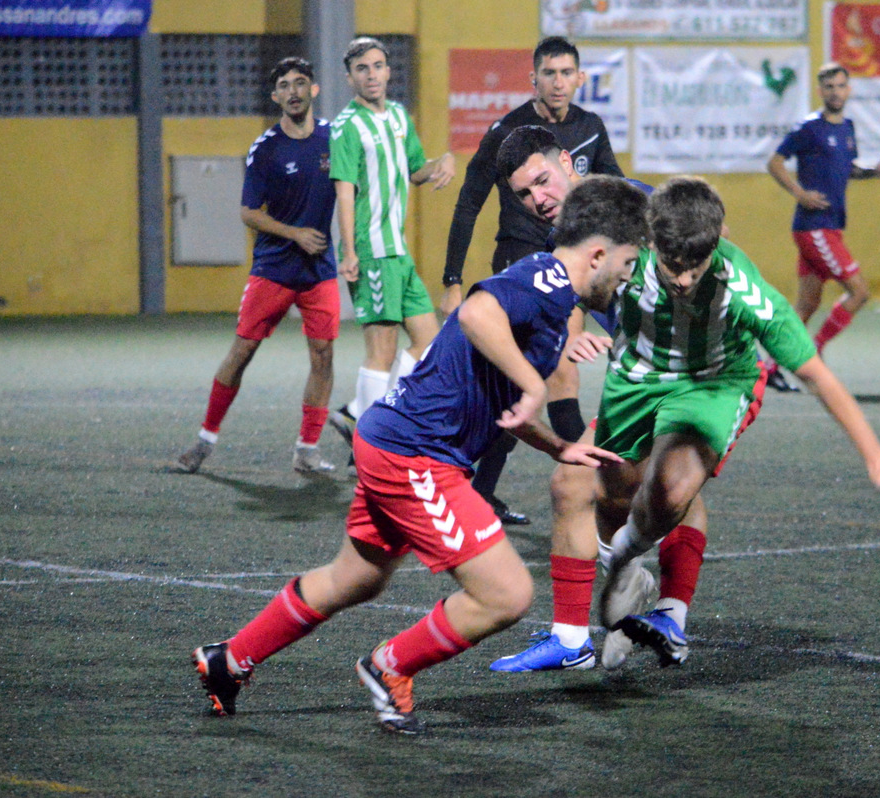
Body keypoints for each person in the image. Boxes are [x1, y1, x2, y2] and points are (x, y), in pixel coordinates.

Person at [190, 175, 650, 735]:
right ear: (599, 252)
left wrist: (557, 444)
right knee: (507, 592)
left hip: (396, 439)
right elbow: (479, 315)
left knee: (355, 579)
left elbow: (496, 395)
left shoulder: (552, 298)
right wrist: (533, 381)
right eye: (627, 261)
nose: (628, 275)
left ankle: (228, 659)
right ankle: (389, 667)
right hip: (415, 453)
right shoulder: (547, 280)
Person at [596, 176, 880, 668]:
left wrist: (876, 458)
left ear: (719, 239)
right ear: (651, 241)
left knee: (670, 489)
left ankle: (628, 565)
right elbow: (570, 281)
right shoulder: (624, 253)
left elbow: (816, 375)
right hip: (636, 377)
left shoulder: (745, 292)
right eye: (673, 267)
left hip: (713, 383)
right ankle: (630, 572)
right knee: (615, 491)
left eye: (696, 267)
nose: (684, 280)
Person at [485, 126, 702, 674]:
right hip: (643, 378)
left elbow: (706, 262)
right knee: (588, 485)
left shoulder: (639, 205)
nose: (537, 198)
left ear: (567, 162)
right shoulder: (561, 234)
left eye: (542, 179)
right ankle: (588, 629)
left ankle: (643, 610)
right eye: (524, 194)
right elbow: (571, 295)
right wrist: (572, 330)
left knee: (653, 489)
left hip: (701, 373)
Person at [440, 36, 623, 525]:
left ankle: (478, 489)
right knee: (556, 371)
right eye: (549, 73)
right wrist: (452, 278)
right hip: (522, 258)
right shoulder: (508, 131)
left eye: (567, 73)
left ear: (580, 78)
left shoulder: (590, 126)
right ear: (534, 79)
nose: (558, 82)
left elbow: (615, 189)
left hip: (571, 258)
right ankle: (590, 484)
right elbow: (469, 201)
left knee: (535, 375)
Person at [175, 56, 340, 475]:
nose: (293, 91)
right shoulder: (265, 149)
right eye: (283, 85)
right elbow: (249, 212)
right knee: (243, 350)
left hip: (319, 269)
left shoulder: (334, 139)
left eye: (300, 83)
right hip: (274, 267)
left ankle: (307, 449)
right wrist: (295, 233)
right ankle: (204, 440)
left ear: (313, 89)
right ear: (275, 96)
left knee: (323, 356)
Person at [326, 37, 456, 461]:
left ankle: (361, 414)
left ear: (387, 71)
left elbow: (416, 170)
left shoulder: (399, 116)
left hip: (398, 252)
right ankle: (373, 442)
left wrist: (444, 161)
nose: (372, 74)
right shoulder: (347, 126)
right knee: (380, 351)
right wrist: (349, 251)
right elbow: (345, 191)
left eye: (378, 66)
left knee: (430, 342)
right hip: (372, 249)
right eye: (362, 68)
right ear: (350, 78)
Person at [764, 61, 880, 392]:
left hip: (829, 226)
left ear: (848, 90)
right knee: (860, 291)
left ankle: (768, 369)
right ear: (820, 91)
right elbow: (774, 162)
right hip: (815, 226)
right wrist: (799, 193)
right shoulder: (809, 127)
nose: (836, 92)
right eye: (829, 87)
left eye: (841, 86)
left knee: (807, 304)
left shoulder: (847, 127)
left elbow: (847, 168)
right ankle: (816, 351)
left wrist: (874, 172)